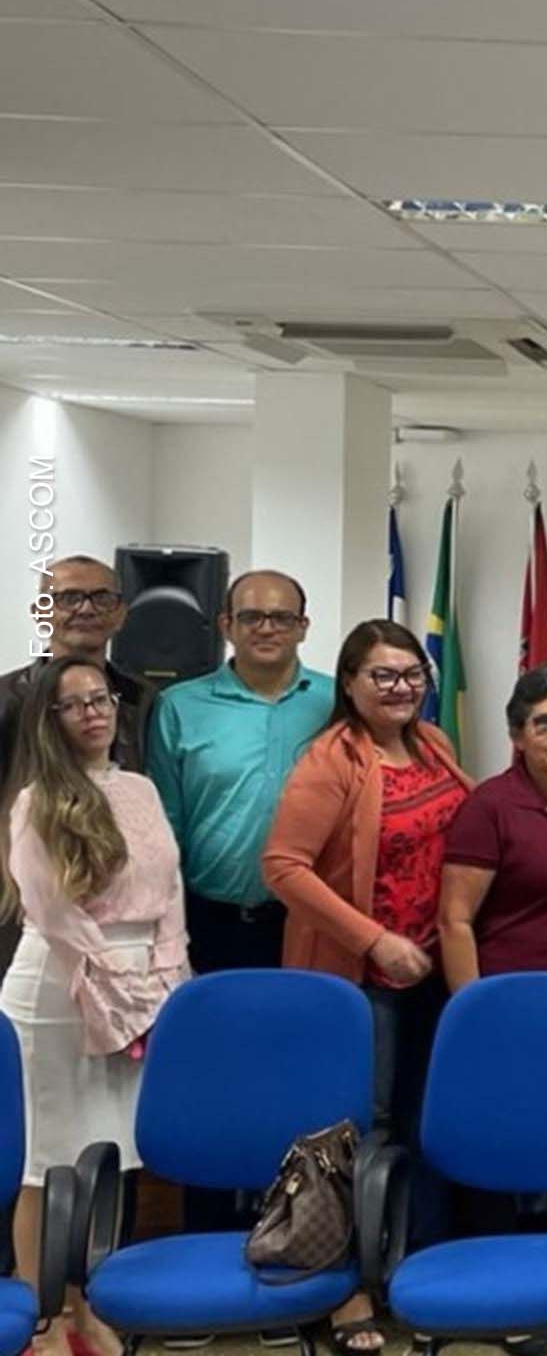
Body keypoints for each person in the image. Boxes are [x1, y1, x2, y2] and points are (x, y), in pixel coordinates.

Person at [263, 620, 470, 1355]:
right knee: (360, 1131)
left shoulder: (435, 743)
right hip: (361, 978)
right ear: (348, 682)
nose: (402, 686)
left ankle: (416, 1270)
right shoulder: (330, 760)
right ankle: (346, 1286)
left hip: (434, 969)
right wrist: (375, 939)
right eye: (383, 675)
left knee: (426, 1123)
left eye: (413, 673)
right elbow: (284, 867)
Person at [1, 655, 188, 1356]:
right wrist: (115, 979)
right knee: (47, 1160)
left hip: (143, 981)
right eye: (73, 704)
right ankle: (45, 1312)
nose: (93, 712)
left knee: (108, 1154)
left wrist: (169, 972)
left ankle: (88, 1303)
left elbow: (170, 889)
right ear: (50, 722)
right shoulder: (36, 798)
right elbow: (51, 910)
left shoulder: (139, 788)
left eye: (101, 698)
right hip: (61, 986)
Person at [145, 568, 331, 1238]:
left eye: (281, 617)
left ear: (303, 627)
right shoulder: (181, 708)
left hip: (308, 928)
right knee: (212, 1081)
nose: (267, 629)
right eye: (252, 616)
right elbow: (161, 827)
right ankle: (204, 1242)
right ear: (225, 625)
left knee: (295, 1082)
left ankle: (287, 1243)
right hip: (211, 922)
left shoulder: (334, 704)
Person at [0, 557, 151, 977]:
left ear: (121, 614)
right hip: (22, 910)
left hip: (121, 910)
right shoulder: (6, 699)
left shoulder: (146, 703)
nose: (85, 609)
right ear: (40, 612)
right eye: (67, 597)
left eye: (101, 598)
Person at [437, 663, 547, 988]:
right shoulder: (489, 805)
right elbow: (454, 921)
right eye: (546, 724)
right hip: (510, 990)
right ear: (517, 735)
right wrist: (473, 1010)